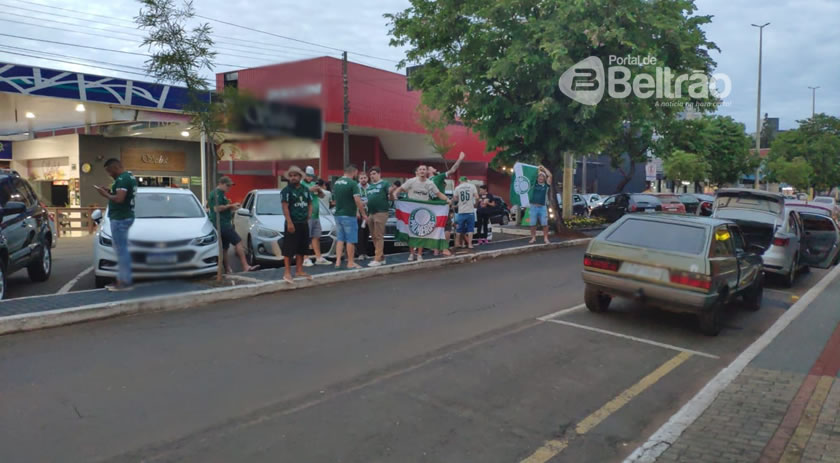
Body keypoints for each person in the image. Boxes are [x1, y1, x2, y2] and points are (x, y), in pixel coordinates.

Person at [94, 158, 137, 291]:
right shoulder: (129, 176)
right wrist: (110, 191)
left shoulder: (122, 179)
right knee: (121, 249)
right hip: (125, 216)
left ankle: (124, 282)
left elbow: (119, 199)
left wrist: (105, 194)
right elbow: (122, 195)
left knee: (121, 251)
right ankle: (122, 279)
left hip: (120, 218)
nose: (109, 174)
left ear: (115, 168)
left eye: (109, 171)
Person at [391, 165, 450, 261]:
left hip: (423, 212)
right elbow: (400, 188)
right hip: (411, 211)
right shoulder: (411, 181)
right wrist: (394, 194)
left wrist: (447, 199)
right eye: (420, 169)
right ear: (417, 172)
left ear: (426, 172)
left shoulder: (430, 183)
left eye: (424, 169)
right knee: (410, 232)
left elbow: (438, 194)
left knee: (422, 233)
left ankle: (419, 254)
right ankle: (411, 253)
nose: (422, 171)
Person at [208, 176, 258, 273]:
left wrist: (231, 207)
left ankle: (227, 269)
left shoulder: (221, 194)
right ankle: (245, 266)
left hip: (223, 222)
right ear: (220, 184)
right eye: (227, 185)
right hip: (222, 224)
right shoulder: (217, 194)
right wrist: (231, 205)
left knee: (225, 248)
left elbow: (221, 208)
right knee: (238, 241)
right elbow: (216, 208)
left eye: (230, 186)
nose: (229, 188)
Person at [427, 152, 466, 256]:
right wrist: (460, 159)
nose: (435, 168)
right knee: (446, 227)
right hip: (442, 205)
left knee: (435, 227)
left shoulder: (427, 182)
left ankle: (436, 249)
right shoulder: (437, 177)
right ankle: (444, 248)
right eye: (432, 168)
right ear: (430, 171)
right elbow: (453, 170)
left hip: (432, 207)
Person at [280, 166, 313, 282]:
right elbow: (285, 207)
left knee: (302, 248)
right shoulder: (286, 190)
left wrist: (309, 215)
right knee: (289, 249)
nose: (293, 178)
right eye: (291, 176)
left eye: (295, 175)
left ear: (300, 177)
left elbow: (310, 203)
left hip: (303, 222)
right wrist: (289, 222)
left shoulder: (305, 189)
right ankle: (287, 272)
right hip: (292, 222)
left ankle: (299, 270)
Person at [332, 164, 368, 269]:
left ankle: (338, 262)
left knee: (340, 239)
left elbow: (334, 200)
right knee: (350, 240)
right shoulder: (353, 183)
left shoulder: (337, 182)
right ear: (354, 172)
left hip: (338, 214)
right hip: (349, 215)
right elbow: (357, 200)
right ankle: (350, 262)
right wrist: (363, 214)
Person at [301, 166, 331, 266]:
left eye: (311, 176)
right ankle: (305, 258)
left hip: (316, 215)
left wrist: (319, 190)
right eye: (308, 175)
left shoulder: (313, 184)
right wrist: (310, 189)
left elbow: (322, 196)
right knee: (305, 237)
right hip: (306, 215)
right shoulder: (301, 184)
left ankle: (319, 257)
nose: (310, 178)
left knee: (316, 237)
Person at [365, 166, 392, 267]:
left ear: (379, 174)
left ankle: (377, 258)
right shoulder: (369, 187)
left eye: (374, 174)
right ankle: (381, 257)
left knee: (379, 235)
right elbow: (370, 198)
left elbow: (389, 194)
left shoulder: (384, 183)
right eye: (371, 174)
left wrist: (392, 192)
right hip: (371, 213)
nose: (372, 176)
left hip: (381, 212)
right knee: (373, 236)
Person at [453, 177, 479, 249]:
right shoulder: (472, 186)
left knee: (459, 229)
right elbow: (477, 197)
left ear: (460, 181)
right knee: (470, 229)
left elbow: (455, 198)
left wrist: (459, 202)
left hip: (461, 211)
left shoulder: (457, 188)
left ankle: (457, 244)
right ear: (467, 180)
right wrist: (476, 204)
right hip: (470, 211)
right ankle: (470, 244)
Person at [529, 166, 552, 244]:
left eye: (542, 177)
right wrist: (537, 170)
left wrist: (543, 168)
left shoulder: (546, 186)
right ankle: (533, 238)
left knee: (545, 224)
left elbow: (550, 175)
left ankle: (545, 238)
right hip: (533, 207)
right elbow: (531, 176)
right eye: (539, 176)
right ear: (537, 178)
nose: (541, 178)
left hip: (542, 207)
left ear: (544, 178)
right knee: (532, 224)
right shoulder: (534, 184)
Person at [356, 172, 371, 261]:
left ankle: (365, 253)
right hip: (360, 213)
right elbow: (354, 201)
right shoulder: (356, 188)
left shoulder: (370, 188)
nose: (363, 180)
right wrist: (357, 212)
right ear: (359, 179)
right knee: (360, 234)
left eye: (364, 178)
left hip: (369, 212)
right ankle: (360, 253)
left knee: (367, 233)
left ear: (367, 178)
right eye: (361, 178)